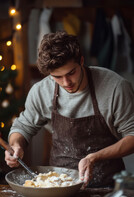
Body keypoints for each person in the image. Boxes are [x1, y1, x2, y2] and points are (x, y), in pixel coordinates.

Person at [5, 31, 134, 188]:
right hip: (58, 186)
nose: (66, 83)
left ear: (81, 61)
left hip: (107, 187)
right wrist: (16, 145)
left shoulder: (115, 87)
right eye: (57, 77)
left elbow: (132, 136)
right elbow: (23, 126)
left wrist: (94, 157)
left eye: (71, 73)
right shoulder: (41, 91)